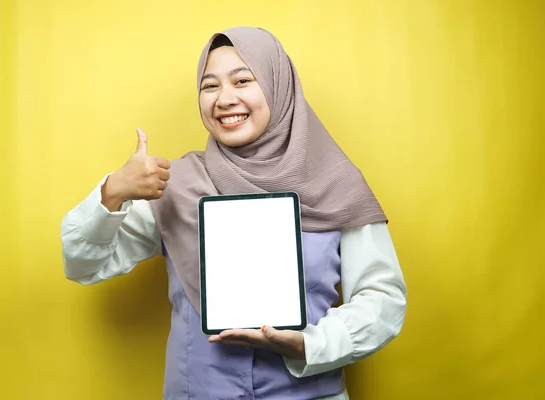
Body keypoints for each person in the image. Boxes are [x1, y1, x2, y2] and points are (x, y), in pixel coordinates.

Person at [61, 26, 407, 400]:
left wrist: (310, 344)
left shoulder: (335, 183)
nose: (225, 99)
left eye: (243, 80)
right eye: (210, 86)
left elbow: (382, 298)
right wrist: (114, 191)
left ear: (278, 85)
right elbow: (82, 264)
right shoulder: (172, 184)